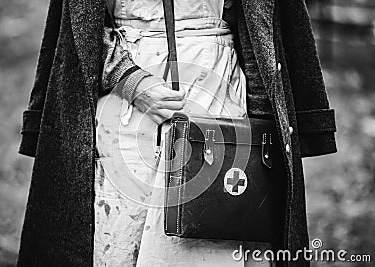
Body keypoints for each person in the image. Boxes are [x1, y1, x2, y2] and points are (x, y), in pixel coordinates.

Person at [17, 0, 337, 266]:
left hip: (220, 93)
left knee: (213, 244)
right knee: (118, 244)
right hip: (124, 100)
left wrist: (260, 127)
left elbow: (255, 23)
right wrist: (131, 81)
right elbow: (81, 27)